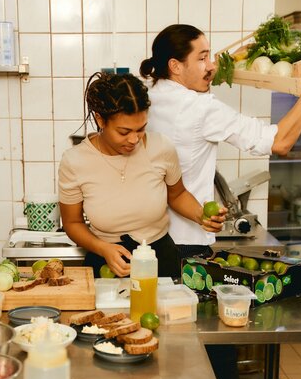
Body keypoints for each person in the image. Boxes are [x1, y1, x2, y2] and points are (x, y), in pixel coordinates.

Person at [140, 24, 301, 379]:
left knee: (162, 343)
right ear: (175, 65)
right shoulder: (201, 108)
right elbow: (280, 143)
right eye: (201, 57)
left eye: (212, 54)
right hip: (187, 248)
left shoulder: (151, 99)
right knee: (210, 345)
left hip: (147, 246)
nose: (212, 65)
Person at [58, 71, 225, 281]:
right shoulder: (75, 161)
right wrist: (102, 248)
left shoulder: (161, 148)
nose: (134, 139)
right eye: (124, 131)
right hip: (106, 262)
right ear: (100, 120)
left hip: (160, 259)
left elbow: (178, 194)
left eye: (141, 129)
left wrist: (202, 216)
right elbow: (72, 223)